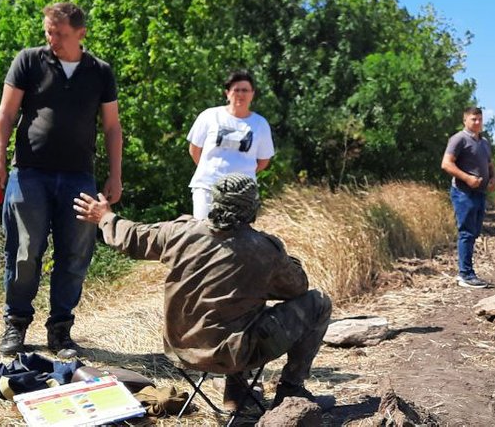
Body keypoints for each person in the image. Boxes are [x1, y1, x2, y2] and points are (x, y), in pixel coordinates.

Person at [72, 173, 332, 412]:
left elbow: (132, 237)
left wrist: (105, 216)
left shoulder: (181, 232)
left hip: (182, 351)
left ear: (215, 202)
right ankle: (291, 390)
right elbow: (299, 288)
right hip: (233, 355)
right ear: (253, 207)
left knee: (238, 310)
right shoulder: (264, 250)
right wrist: (286, 259)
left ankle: (236, 392)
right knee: (318, 302)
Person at [0, 2, 123, 358]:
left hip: (79, 176)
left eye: (59, 34)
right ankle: (15, 324)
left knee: (75, 253)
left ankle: (60, 331)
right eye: (48, 31)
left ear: (81, 33)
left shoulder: (100, 72)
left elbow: (112, 126)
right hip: (29, 172)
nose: (52, 39)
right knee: (24, 253)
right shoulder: (29, 60)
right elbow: (6, 113)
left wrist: (115, 176)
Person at [187, 71, 274, 220]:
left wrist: (239, 176)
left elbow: (263, 161)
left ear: (252, 94)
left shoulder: (260, 124)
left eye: (245, 90)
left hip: (242, 194)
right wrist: (210, 171)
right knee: (204, 233)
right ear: (227, 93)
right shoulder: (209, 116)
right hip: (208, 187)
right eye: (236, 90)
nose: (240, 94)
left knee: (238, 238)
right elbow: (194, 149)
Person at [441, 107, 495, 288]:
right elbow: (446, 164)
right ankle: (465, 274)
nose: (478, 122)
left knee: (474, 233)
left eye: (480, 119)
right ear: (465, 120)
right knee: (466, 233)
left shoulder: (484, 142)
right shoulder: (458, 139)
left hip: (480, 193)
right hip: (463, 192)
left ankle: (468, 272)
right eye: (474, 119)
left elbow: (490, 164)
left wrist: (493, 178)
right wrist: (467, 178)